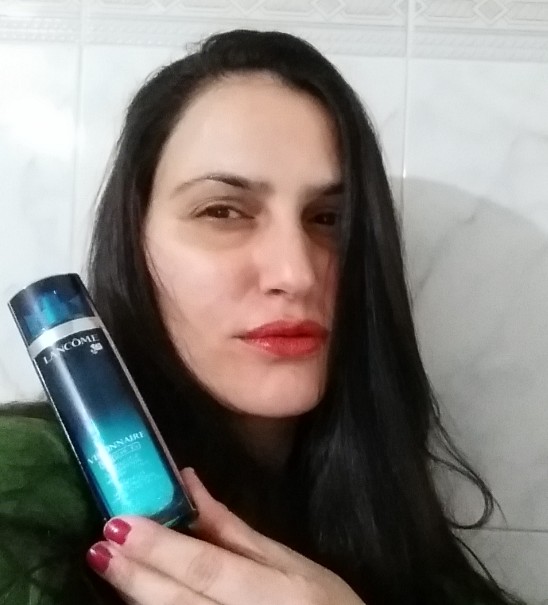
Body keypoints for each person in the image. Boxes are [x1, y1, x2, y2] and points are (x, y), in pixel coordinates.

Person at [0, 29, 526, 605]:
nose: (296, 273)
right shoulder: (21, 484)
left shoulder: (396, 527)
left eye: (329, 218)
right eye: (223, 211)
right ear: (135, 243)